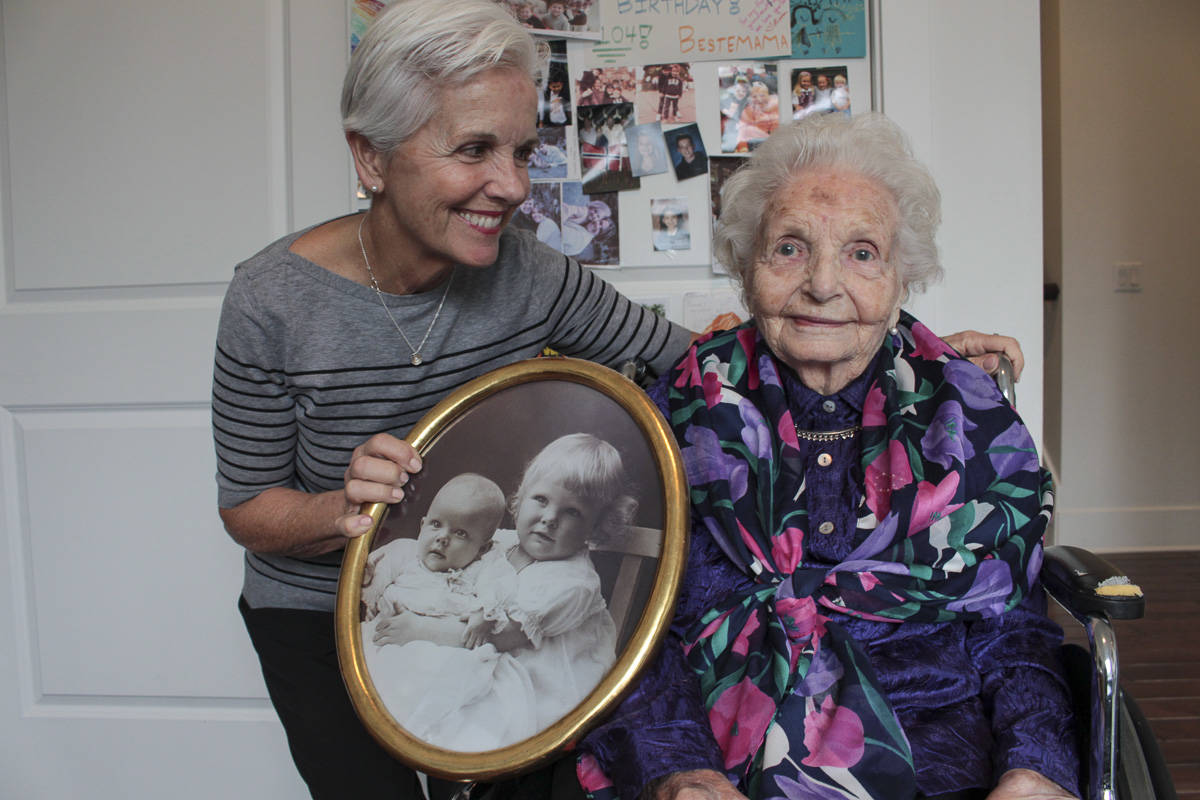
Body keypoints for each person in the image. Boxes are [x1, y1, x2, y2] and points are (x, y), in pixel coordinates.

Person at [211, 1, 692, 797]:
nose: (510, 187)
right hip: (321, 615)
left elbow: (687, 363)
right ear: (371, 158)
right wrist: (341, 512)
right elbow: (247, 508)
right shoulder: (271, 302)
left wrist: (910, 350)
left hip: (491, 602)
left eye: (521, 151)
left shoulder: (529, 273)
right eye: (474, 149)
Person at [576, 114, 1078, 800]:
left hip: (934, 746)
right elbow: (622, 625)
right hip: (712, 748)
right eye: (789, 248)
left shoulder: (968, 422)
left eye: (862, 253)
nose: (821, 284)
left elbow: (1011, 629)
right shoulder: (673, 415)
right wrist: (676, 767)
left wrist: (1033, 767)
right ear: (746, 266)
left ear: (904, 277)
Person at [360, 474, 536, 751]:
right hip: (391, 638)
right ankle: (398, 732)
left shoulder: (485, 566)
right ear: (422, 525)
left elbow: (502, 587)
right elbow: (371, 578)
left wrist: (483, 613)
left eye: (461, 533)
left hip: (445, 648)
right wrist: (368, 585)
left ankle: (433, 736)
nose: (442, 538)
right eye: (436, 524)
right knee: (377, 672)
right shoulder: (404, 553)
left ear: (483, 547)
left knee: (469, 676)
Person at [735, 81, 780, 152]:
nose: (759, 99)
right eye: (754, 96)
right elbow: (742, 127)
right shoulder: (748, 110)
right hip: (755, 138)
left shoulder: (776, 105)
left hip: (774, 138)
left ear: (768, 95)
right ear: (750, 98)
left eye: (762, 95)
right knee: (745, 129)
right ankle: (742, 149)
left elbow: (777, 124)